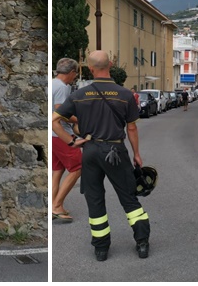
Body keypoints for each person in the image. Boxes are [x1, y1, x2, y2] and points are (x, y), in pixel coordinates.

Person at [52, 50, 150, 262]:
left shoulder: (78, 95)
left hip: (90, 151)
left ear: (89, 67)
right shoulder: (124, 95)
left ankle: (101, 249)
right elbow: (131, 128)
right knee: (129, 198)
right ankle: (142, 243)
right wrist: (137, 155)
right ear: (111, 64)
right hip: (115, 151)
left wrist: (71, 141)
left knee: (95, 200)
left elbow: (54, 121)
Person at [51, 58, 81, 223]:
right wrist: (79, 120)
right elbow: (60, 112)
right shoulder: (62, 87)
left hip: (52, 135)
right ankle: (57, 206)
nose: (75, 78)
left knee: (58, 171)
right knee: (77, 168)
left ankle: (53, 205)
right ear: (71, 73)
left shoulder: (52, 83)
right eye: (75, 74)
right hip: (61, 134)